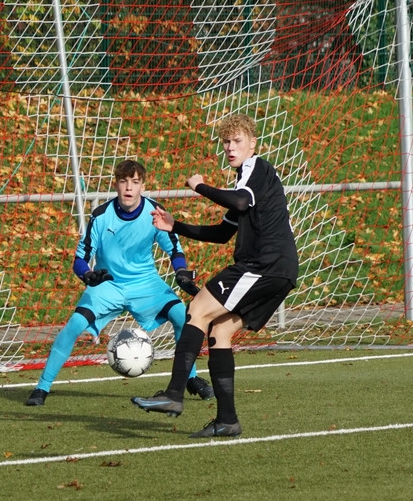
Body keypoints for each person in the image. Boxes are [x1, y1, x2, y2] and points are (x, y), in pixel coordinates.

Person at [131, 113, 298, 438]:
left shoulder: (256, 168)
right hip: (279, 270)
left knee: (197, 309)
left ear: (252, 144)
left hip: (264, 265)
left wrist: (200, 186)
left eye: (237, 141)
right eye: (226, 142)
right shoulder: (249, 184)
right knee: (219, 331)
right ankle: (227, 420)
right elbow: (222, 233)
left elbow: (239, 201)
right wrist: (174, 226)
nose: (231, 147)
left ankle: (174, 394)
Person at [25, 159, 214, 407]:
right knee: (75, 324)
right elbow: (80, 259)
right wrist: (87, 275)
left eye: (135, 182)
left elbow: (175, 250)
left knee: (182, 315)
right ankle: (42, 387)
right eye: (124, 181)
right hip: (108, 285)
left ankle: (190, 378)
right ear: (116, 185)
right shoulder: (101, 216)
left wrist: (181, 273)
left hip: (146, 284)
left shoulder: (155, 213)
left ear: (142, 186)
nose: (129, 187)